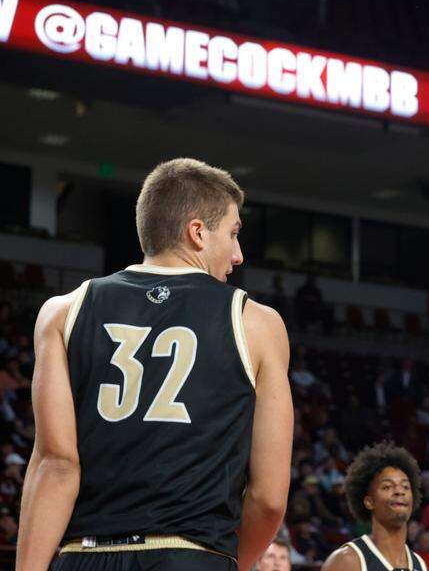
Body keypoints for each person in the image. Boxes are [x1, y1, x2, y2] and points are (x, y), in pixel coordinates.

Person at [15, 158, 293, 570]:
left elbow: (56, 464)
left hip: (85, 556)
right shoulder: (257, 322)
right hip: (190, 555)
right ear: (198, 233)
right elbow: (269, 499)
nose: (238, 255)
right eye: (233, 235)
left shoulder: (63, 311)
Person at [321, 442, 428, 571]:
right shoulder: (348, 560)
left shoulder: (419, 565)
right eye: (387, 486)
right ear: (369, 502)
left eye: (405, 486)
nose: (400, 491)